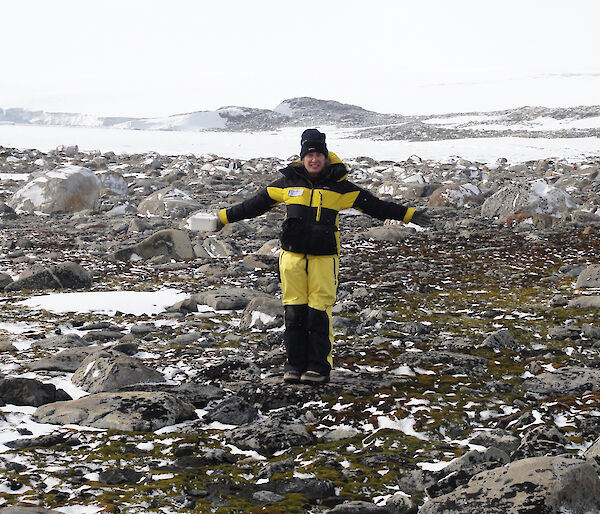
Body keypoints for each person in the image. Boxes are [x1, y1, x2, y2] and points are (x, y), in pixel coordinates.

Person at [216, 129, 431, 385]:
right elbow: (254, 204)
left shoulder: (339, 187)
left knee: (319, 312)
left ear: (326, 157)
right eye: (309, 154)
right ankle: (294, 365)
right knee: (294, 312)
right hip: (292, 259)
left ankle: (318, 367)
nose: (314, 159)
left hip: (324, 258)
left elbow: (375, 205)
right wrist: (223, 218)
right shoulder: (287, 183)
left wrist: (408, 214)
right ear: (302, 157)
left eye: (318, 154)